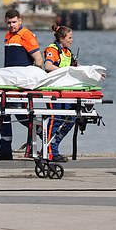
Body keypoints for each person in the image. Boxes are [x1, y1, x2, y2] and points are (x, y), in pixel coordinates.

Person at [0, 9, 43, 161]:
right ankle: (5, 149)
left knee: (21, 115)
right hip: (9, 82)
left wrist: (33, 81)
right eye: (9, 22)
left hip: (22, 83)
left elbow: (38, 60)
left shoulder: (26, 35)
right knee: (2, 112)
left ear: (20, 20)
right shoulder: (8, 36)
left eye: (14, 22)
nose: (12, 25)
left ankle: (42, 132)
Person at [43, 24, 78, 163]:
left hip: (67, 91)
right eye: (69, 37)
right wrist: (65, 71)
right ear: (62, 38)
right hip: (54, 91)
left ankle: (52, 145)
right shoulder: (52, 49)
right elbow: (48, 65)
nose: (72, 40)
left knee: (70, 120)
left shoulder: (68, 52)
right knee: (55, 119)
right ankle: (51, 152)